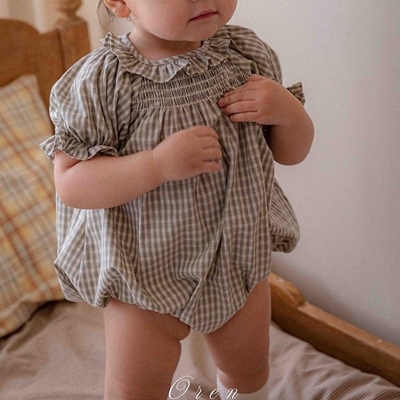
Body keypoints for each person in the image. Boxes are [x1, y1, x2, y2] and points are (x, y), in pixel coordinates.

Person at [40, 0, 314, 398]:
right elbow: (71, 183)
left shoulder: (245, 56)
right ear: (120, 3)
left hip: (236, 257)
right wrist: (155, 165)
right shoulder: (104, 81)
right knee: (135, 389)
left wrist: (288, 114)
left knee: (249, 369)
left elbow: (290, 154)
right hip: (142, 276)